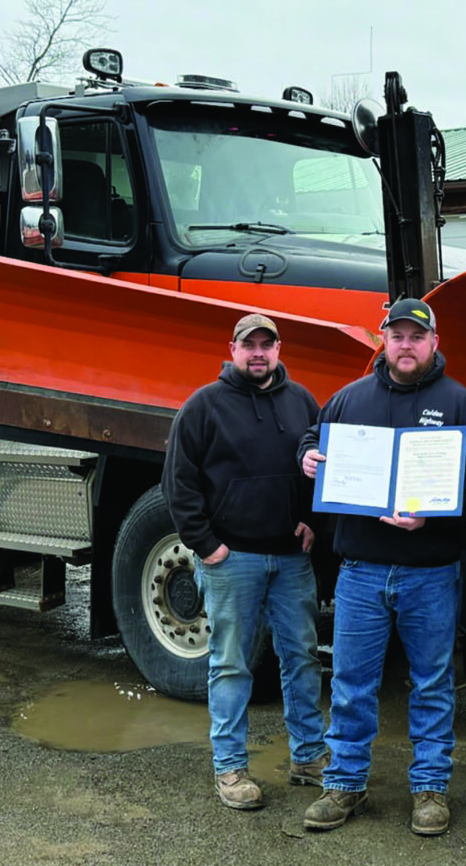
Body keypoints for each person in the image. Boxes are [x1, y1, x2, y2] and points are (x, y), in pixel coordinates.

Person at [297, 298, 466, 838]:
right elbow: (315, 438)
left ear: (434, 343)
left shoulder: (459, 404)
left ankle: (430, 788)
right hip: (361, 571)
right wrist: (308, 456)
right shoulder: (350, 398)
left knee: (432, 683)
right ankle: (344, 783)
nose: (406, 345)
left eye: (416, 336)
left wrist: (438, 512)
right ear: (383, 341)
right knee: (350, 683)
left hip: (430, 572)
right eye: (397, 336)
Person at [163, 312, 327, 811]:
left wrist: (311, 519)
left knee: (302, 657)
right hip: (232, 560)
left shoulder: (302, 402)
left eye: (266, 344)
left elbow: (321, 467)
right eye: (249, 344)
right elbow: (179, 482)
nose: (258, 353)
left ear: (278, 349)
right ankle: (230, 767)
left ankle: (308, 756)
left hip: (291, 558)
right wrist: (206, 545)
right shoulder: (203, 407)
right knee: (231, 664)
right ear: (232, 349)